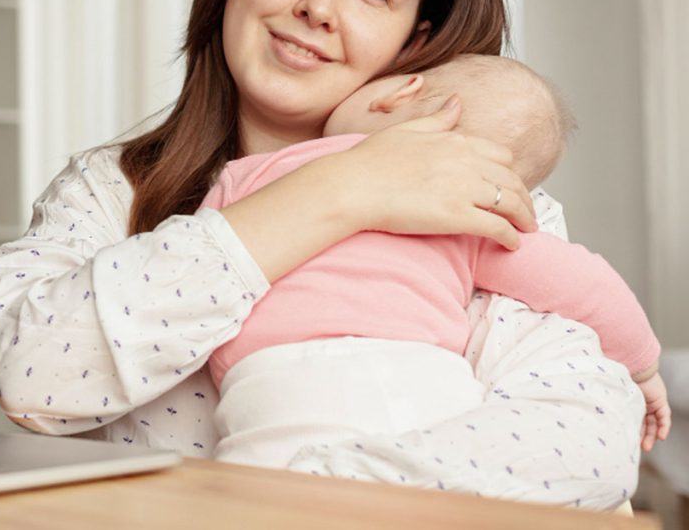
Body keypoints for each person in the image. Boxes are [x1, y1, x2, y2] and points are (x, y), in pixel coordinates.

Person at [0, 0, 645, 508]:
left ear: (416, 39)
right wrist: (341, 188)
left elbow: (583, 446)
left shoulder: (479, 194)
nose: (317, 8)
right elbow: (32, 379)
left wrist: (280, 498)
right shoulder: (114, 191)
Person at [204, 54, 670, 470]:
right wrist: (643, 367)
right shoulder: (470, 215)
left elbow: (200, 264)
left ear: (398, 91)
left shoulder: (252, 174)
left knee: (261, 499)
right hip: (424, 382)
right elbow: (583, 284)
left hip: (277, 383)